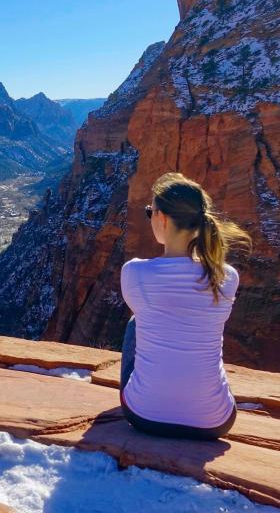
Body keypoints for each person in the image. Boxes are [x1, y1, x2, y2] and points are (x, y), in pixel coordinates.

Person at [119, 172, 251, 440]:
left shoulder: (134, 273)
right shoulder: (226, 277)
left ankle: (156, 395)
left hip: (144, 416)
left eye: (150, 211)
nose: (150, 217)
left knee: (136, 322)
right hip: (214, 421)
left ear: (162, 218)